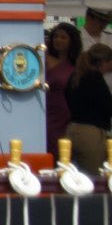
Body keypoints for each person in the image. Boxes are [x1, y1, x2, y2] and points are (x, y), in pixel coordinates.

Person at [64, 43, 112, 168]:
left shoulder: (75, 75)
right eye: (110, 62)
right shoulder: (94, 78)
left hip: (72, 129)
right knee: (93, 177)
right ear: (104, 62)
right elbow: (109, 107)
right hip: (90, 133)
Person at [43, 21, 81, 154]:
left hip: (65, 113)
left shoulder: (77, 64)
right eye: (56, 36)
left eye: (63, 37)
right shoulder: (45, 58)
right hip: (45, 110)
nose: (58, 40)